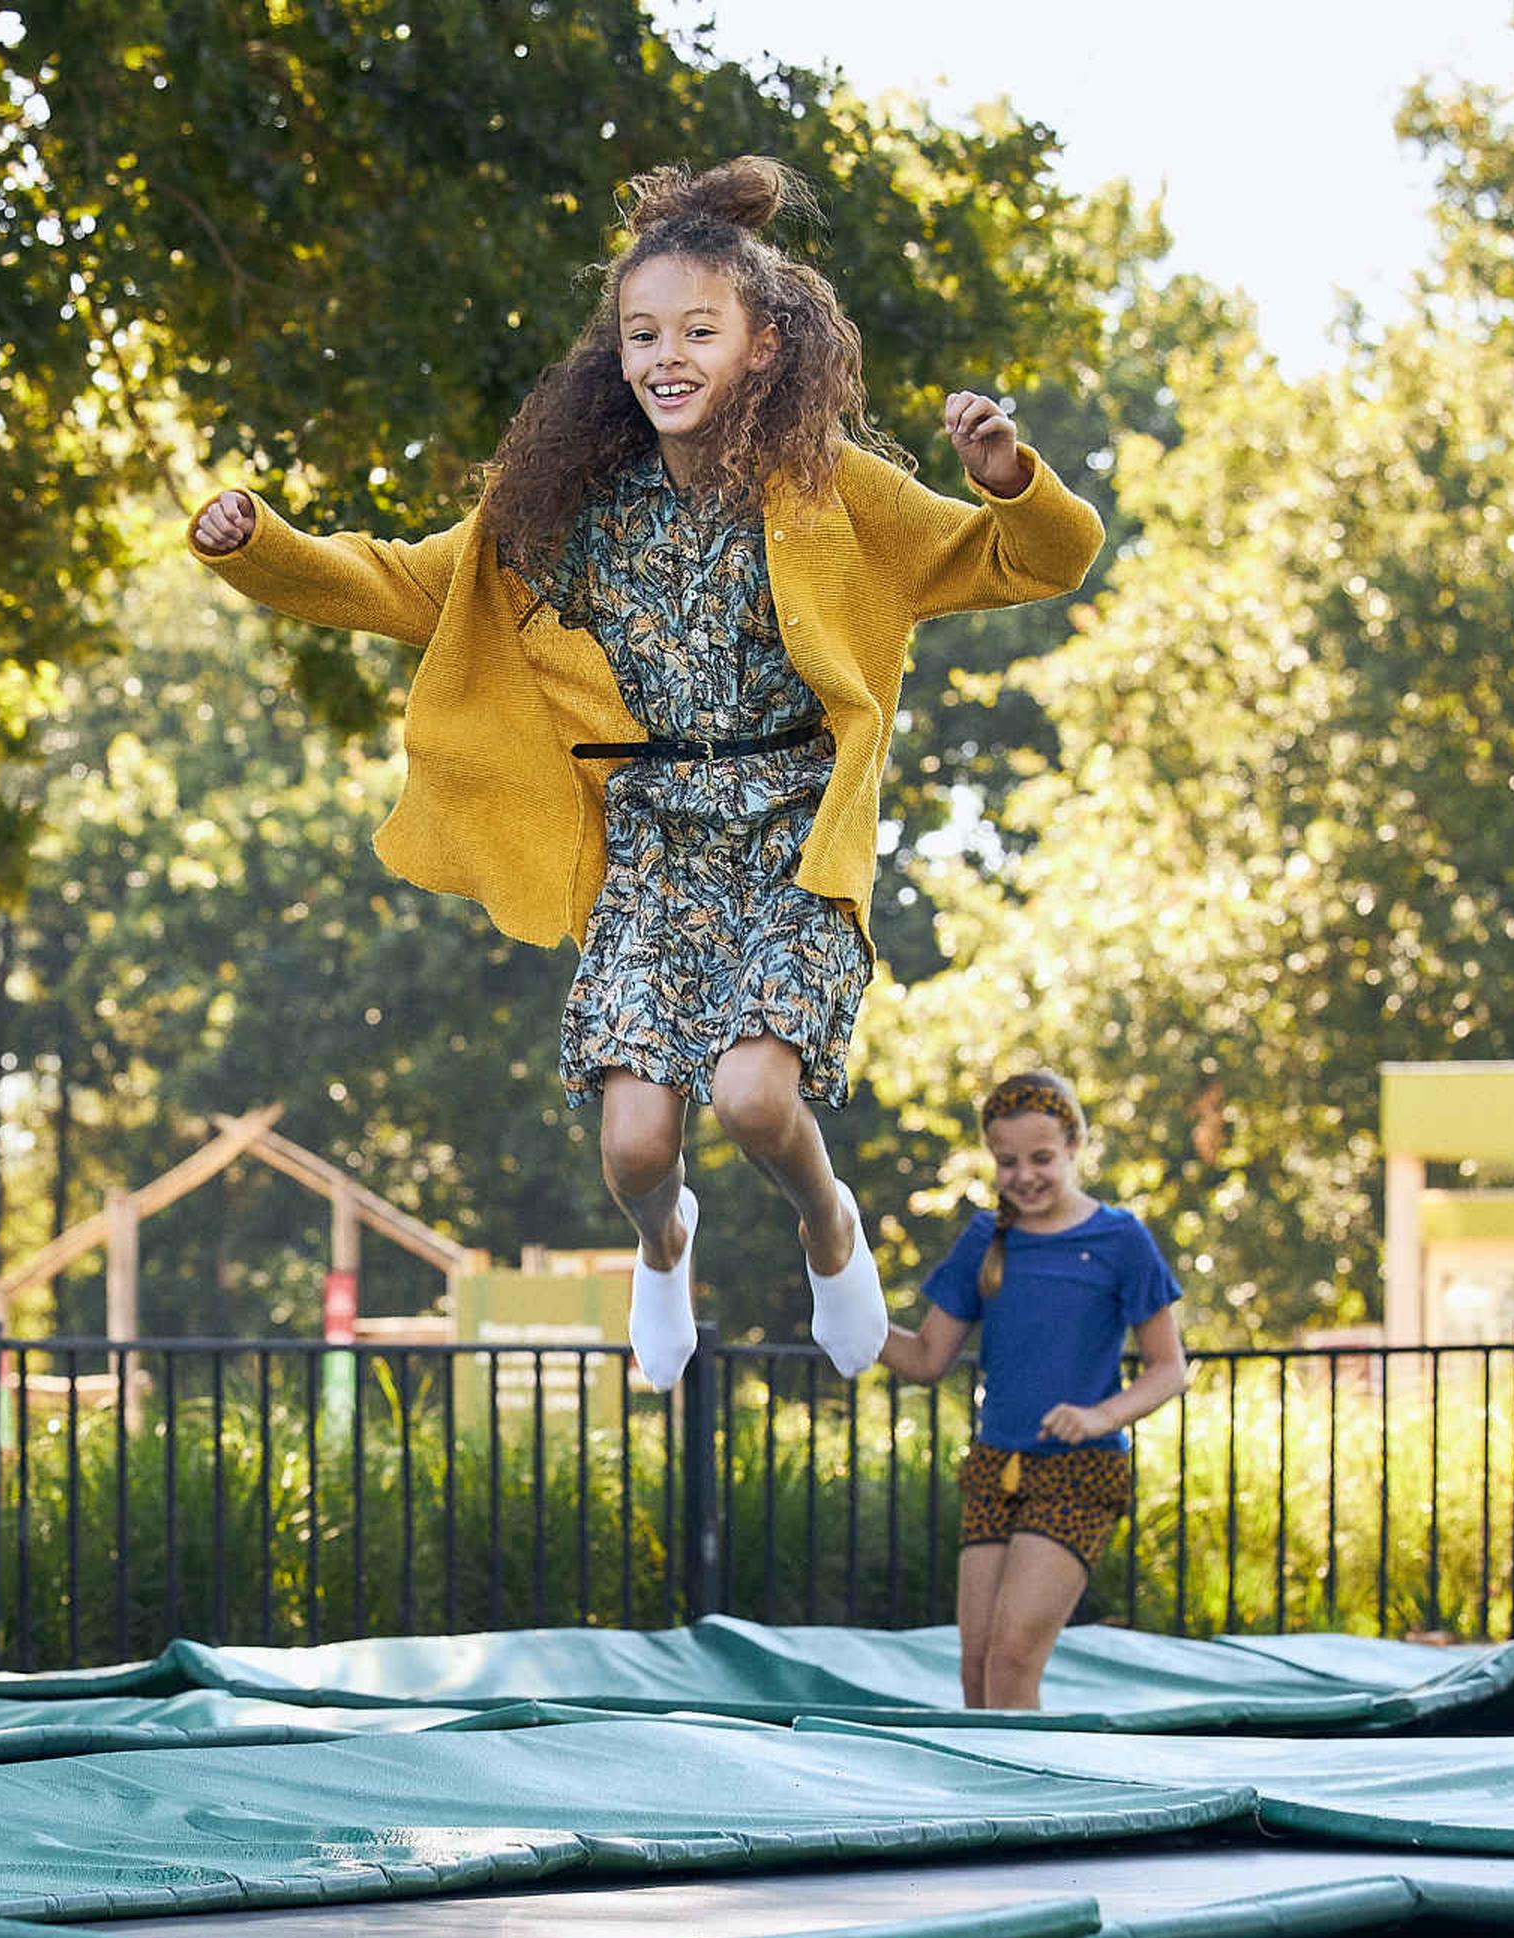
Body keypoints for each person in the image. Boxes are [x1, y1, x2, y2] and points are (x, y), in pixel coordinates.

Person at [186, 155, 1101, 1388]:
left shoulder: (838, 494)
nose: (665, 356)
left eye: (697, 332)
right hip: (655, 844)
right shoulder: (573, 508)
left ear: (766, 346)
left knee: (757, 1102)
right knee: (632, 1148)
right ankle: (666, 1248)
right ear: (615, 354)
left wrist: (1009, 484)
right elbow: (413, 585)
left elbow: (1036, 560)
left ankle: (830, 1229)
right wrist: (267, 552)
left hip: (790, 838)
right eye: (640, 334)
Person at [882, 1069, 1190, 1711]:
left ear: (1075, 1146)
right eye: (1008, 1161)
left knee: (1013, 1659)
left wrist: (1100, 1415)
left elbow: (1168, 1367)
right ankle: (987, 1799)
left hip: (1080, 1473)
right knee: (975, 1672)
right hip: (996, 1468)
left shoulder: (1119, 1239)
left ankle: (1029, 1806)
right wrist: (846, 1316)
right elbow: (926, 1357)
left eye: (1042, 1158)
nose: (1025, 1176)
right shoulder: (983, 1240)